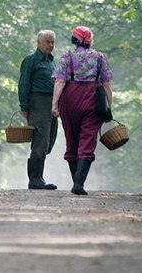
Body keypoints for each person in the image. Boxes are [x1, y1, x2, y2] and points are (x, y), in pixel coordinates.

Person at [51, 26, 112, 195]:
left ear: (74, 40)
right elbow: (107, 85)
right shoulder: (100, 57)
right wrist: (109, 106)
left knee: (72, 139)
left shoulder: (67, 56)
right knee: (88, 140)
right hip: (93, 100)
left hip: (70, 100)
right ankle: (79, 183)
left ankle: (75, 181)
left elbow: (60, 82)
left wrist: (54, 104)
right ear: (90, 40)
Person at [18, 30, 59, 190]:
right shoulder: (31, 60)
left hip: (52, 105)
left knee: (49, 140)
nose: (50, 45)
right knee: (40, 141)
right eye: (47, 42)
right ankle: (34, 179)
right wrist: (24, 107)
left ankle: (39, 177)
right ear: (39, 43)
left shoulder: (52, 62)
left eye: (52, 42)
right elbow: (23, 84)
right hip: (38, 103)